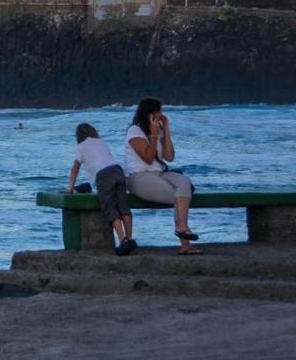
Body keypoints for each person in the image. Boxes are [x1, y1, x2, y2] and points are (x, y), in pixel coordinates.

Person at [125, 97, 201, 255]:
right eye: (158, 111)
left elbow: (169, 156)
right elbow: (147, 157)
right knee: (177, 196)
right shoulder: (134, 131)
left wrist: (165, 131)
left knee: (184, 183)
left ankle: (182, 230)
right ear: (149, 114)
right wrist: (152, 135)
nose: (161, 114)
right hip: (138, 176)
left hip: (160, 173)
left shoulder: (159, 130)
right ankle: (185, 240)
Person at [66, 123, 136, 255]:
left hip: (103, 176)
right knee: (123, 207)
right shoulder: (101, 142)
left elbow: (75, 167)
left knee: (111, 208)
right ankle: (130, 238)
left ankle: (123, 240)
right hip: (117, 170)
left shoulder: (81, 146)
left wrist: (70, 188)